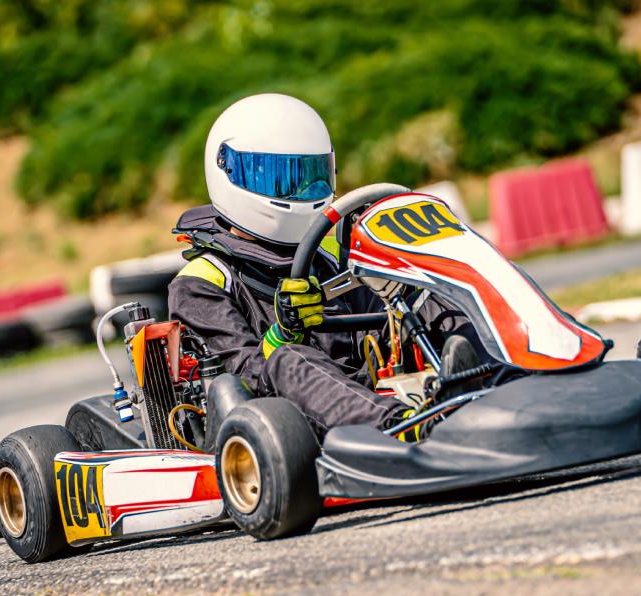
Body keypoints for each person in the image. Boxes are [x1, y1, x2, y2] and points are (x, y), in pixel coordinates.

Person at [167, 94, 477, 442]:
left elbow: (380, 325)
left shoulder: (323, 258)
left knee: (431, 305)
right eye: (283, 178)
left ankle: (495, 381)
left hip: (358, 393)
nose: (300, 191)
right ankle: (405, 429)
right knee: (288, 359)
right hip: (282, 421)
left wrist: (410, 302)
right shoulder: (201, 283)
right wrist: (284, 332)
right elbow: (248, 375)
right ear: (231, 171)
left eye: (310, 176)